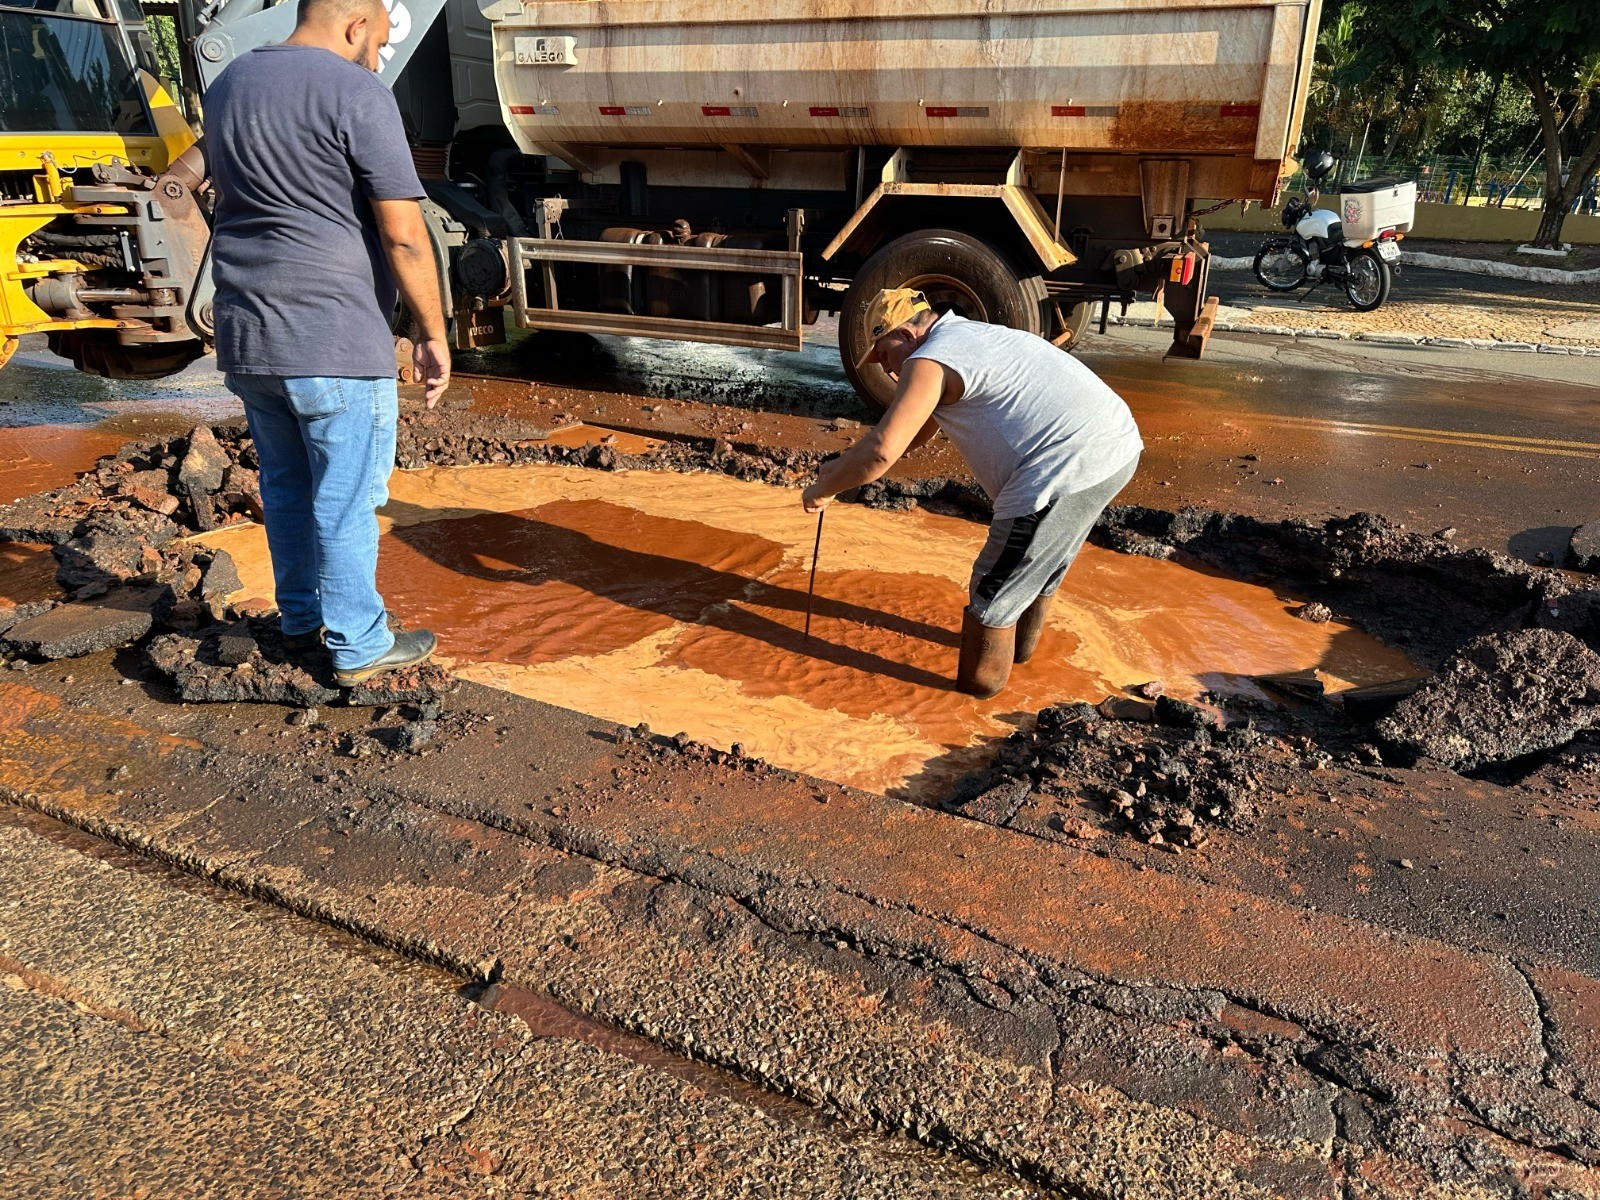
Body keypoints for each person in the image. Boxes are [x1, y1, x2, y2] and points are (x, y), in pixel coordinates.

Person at [204, 0, 450, 685]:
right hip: (334, 334)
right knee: (345, 498)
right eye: (378, 41)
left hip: (250, 334)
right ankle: (359, 643)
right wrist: (432, 334)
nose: (378, 58)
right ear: (354, 25)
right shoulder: (355, 91)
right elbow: (402, 232)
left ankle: (302, 619)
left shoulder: (228, 87)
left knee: (286, 486)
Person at [803, 290, 1142, 698]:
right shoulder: (969, 336)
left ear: (908, 335)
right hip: (1115, 448)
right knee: (1036, 568)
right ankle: (1021, 662)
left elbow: (881, 453)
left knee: (992, 587)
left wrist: (824, 487)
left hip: (1063, 468)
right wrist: (844, 465)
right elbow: (907, 437)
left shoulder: (926, 361)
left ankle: (975, 698)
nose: (889, 369)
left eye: (884, 354)